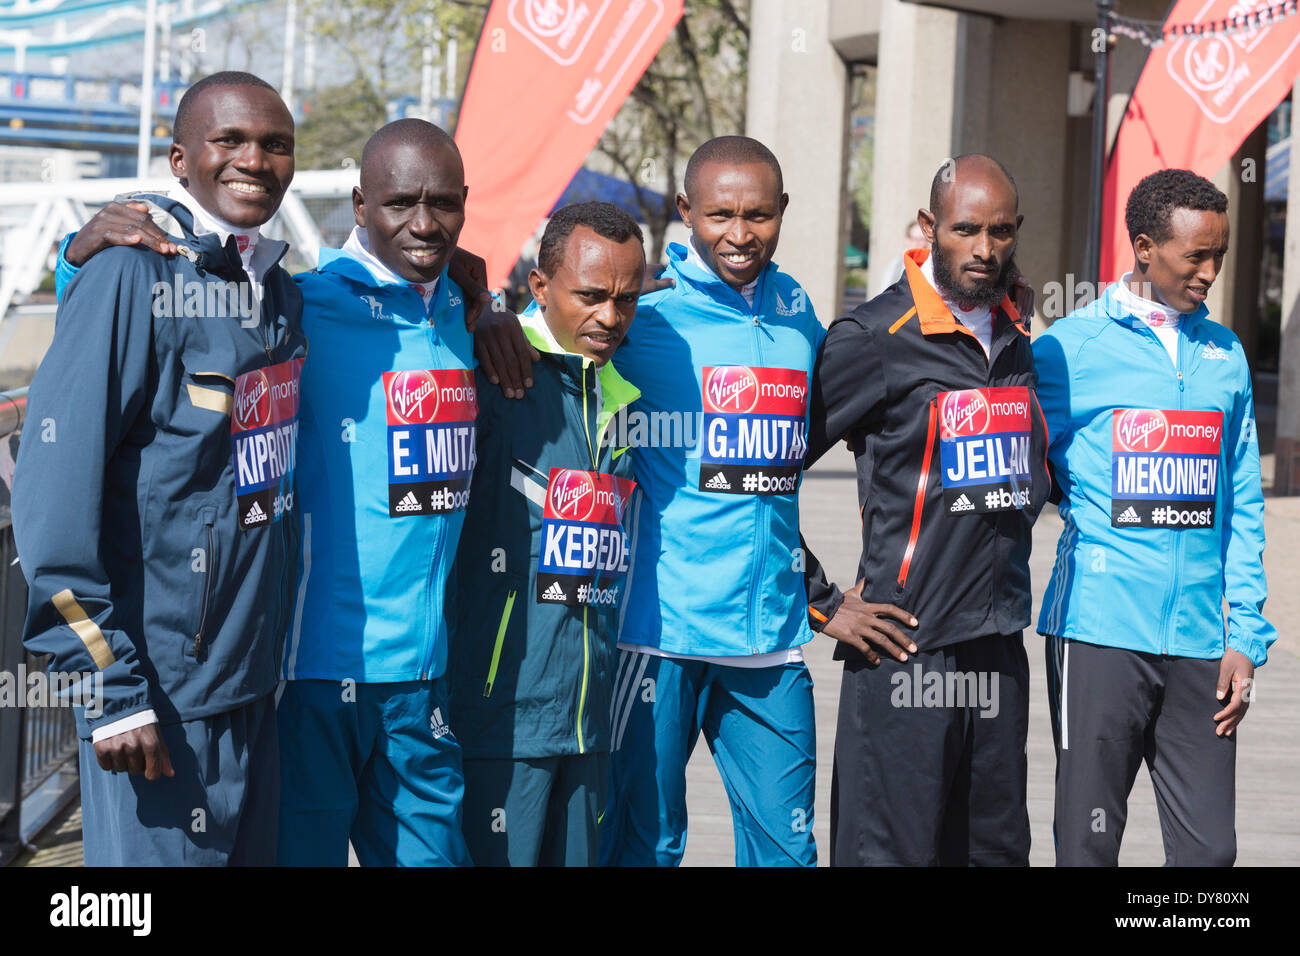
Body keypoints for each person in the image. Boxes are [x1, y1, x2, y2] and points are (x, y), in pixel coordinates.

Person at [53, 118, 489, 866]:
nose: (425, 222)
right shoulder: (300, 302)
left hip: (424, 681)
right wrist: (72, 260)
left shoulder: (465, 315)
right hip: (306, 673)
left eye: (444, 204)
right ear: (359, 205)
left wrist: (499, 313)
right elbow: (131, 327)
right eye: (401, 203)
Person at [14, 71, 307, 865]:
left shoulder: (276, 291)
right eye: (232, 141)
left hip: (251, 691)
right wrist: (108, 691)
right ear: (181, 159)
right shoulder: (128, 273)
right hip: (156, 704)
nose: (255, 160)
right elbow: (51, 503)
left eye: (275, 145)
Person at [583, 136, 828, 867]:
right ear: (687, 210)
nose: (740, 234)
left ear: (782, 212)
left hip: (771, 636)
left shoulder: (796, 310)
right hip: (657, 635)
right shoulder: (642, 318)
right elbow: (550, 347)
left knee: (788, 850)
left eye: (758, 215)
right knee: (647, 845)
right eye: (720, 214)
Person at [803, 154, 1050, 866]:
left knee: (993, 853)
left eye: (1000, 231)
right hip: (904, 651)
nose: (984, 249)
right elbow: (762, 478)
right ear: (927, 227)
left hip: (999, 646)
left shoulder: (1015, 337)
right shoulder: (872, 340)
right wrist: (822, 605)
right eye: (965, 229)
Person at [1032, 168, 1273, 866]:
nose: (1210, 272)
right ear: (1143, 247)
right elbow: (1026, 471)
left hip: (1203, 641)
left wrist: (1246, 634)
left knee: (1210, 856)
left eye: (1220, 256)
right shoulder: (1066, 350)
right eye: (1195, 256)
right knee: (1089, 844)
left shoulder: (1225, 356)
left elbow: (1242, 504)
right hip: (1099, 631)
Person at [448, 201, 644, 866]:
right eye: (591, 296)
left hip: (589, 720)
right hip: (501, 719)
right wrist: (478, 302)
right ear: (538, 287)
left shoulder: (616, 389)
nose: (610, 318)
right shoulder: (494, 367)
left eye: (626, 300)